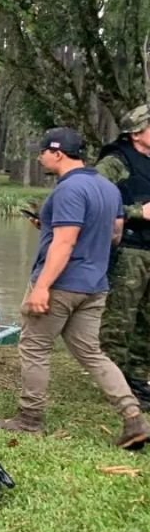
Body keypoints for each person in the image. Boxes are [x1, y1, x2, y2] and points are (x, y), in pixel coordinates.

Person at [0, 127, 149, 450]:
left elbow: (65, 242)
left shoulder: (68, 191)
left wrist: (42, 287)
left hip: (62, 283)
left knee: (34, 346)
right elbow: (115, 235)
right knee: (92, 353)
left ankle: (29, 419)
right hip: (95, 286)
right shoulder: (107, 188)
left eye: (43, 153)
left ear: (58, 153)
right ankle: (133, 415)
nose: (40, 158)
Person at [95, 104, 150, 404]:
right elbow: (97, 199)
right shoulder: (116, 161)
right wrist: (136, 212)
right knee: (119, 319)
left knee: (147, 321)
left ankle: (138, 380)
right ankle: (113, 383)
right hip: (130, 250)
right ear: (137, 133)